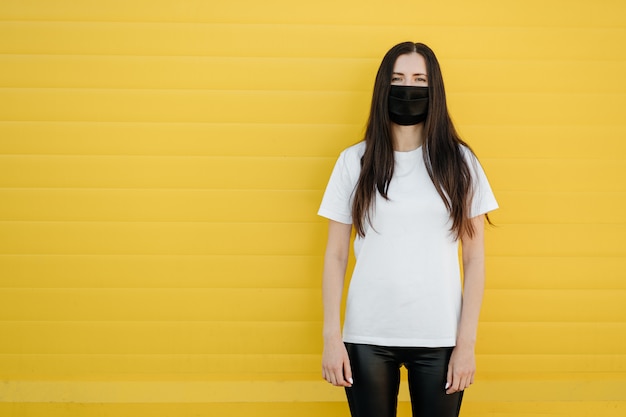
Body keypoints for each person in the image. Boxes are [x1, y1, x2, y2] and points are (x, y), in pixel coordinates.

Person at [318, 42, 499, 417]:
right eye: (398, 79)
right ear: (383, 88)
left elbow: (475, 259)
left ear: (435, 90)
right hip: (367, 336)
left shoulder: (460, 164)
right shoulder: (354, 162)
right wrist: (331, 337)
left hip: (439, 337)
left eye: (420, 80)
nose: (408, 88)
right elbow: (335, 255)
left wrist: (466, 343)